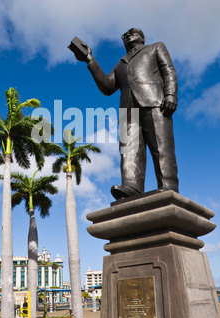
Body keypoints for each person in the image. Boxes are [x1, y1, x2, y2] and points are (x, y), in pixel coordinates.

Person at [73, 28, 179, 200]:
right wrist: (89, 59)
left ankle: (168, 186)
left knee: (161, 147)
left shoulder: (156, 47)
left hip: (154, 102)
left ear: (143, 37)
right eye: (125, 35)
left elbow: (168, 71)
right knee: (129, 150)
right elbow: (107, 87)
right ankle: (132, 186)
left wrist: (171, 94)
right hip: (128, 112)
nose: (128, 36)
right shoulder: (120, 64)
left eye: (133, 32)